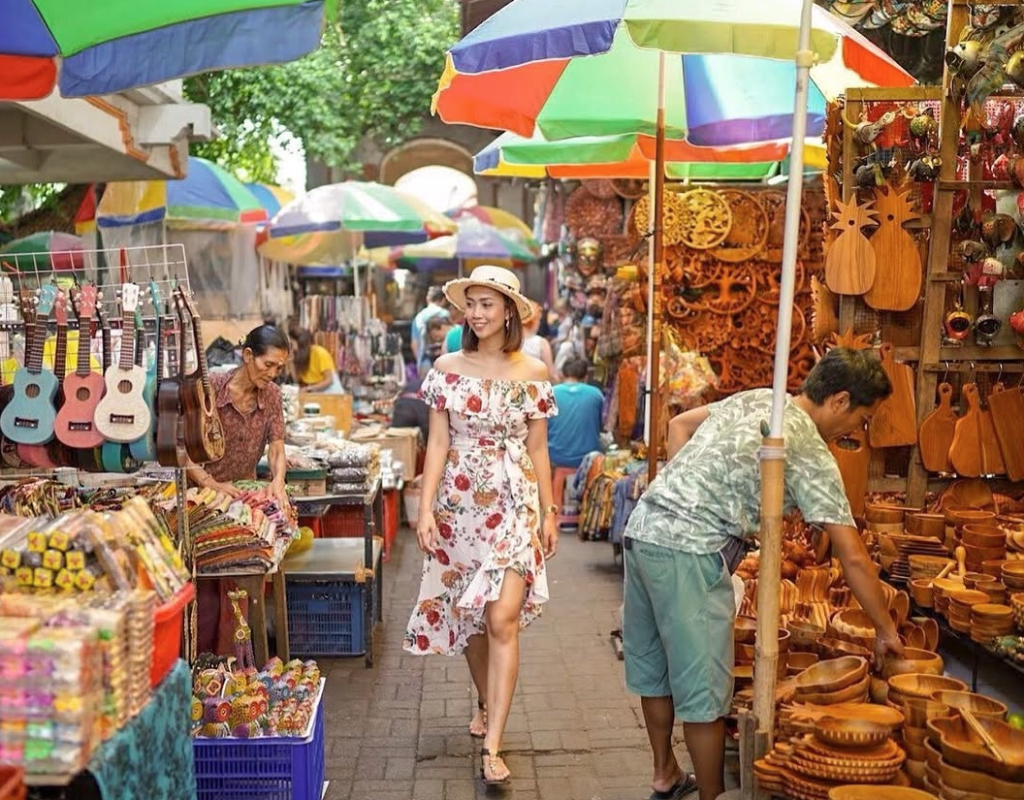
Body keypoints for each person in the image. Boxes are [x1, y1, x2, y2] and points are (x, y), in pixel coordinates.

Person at [622, 347, 903, 800]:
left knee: (654, 671)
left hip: (643, 530)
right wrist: (885, 629)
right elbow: (852, 556)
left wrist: (687, 491)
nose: (857, 430)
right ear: (839, 400)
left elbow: (680, 425)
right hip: (689, 551)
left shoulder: (762, 398)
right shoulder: (809, 447)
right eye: (862, 418)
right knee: (704, 694)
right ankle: (712, 797)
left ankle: (665, 775)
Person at [405, 264, 559, 787]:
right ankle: (486, 702)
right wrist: (424, 510)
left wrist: (551, 510)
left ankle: (493, 745)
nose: (476, 312)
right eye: (470, 303)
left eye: (487, 303)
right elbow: (439, 446)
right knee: (471, 619)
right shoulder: (446, 366)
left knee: (501, 619)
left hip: (515, 504)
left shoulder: (534, 371)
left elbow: (538, 447)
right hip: (459, 505)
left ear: (509, 311)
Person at [188, 324, 291, 655]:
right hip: (200, 497)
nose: (273, 374)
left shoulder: (271, 395)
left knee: (240, 588)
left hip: (240, 498)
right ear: (248, 356)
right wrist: (210, 483)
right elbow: (178, 447)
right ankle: (204, 663)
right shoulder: (210, 388)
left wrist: (277, 481)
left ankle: (238, 664)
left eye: (279, 368)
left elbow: (277, 445)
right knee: (205, 594)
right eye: (268, 365)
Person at [547, 355, 604, 469]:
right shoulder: (596, 394)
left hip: (556, 458)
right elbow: (600, 425)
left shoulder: (550, 393)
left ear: (562, 374)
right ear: (586, 377)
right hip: (589, 459)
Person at [411, 286, 449, 372]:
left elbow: (414, 344)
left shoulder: (418, 318)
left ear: (427, 299)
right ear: (443, 300)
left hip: (425, 363)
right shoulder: (447, 315)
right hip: (446, 363)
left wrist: (420, 362)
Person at [521, 300, 555, 377]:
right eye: (539, 319)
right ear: (534, 320)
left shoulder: (510, 342)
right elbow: (550, 374)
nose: (539, 323)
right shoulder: (541, 343)